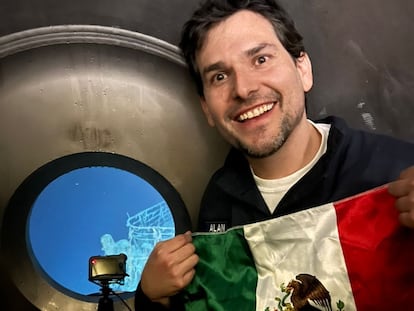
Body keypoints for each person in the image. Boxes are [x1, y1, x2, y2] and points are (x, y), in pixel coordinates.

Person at [135, 0, 414, 309]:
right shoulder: (218, 200)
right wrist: (152, 298)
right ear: (207, 110)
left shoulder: (394, 174)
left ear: (302, 69)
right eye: (219, 77)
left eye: (261, 59)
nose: (243, 88)